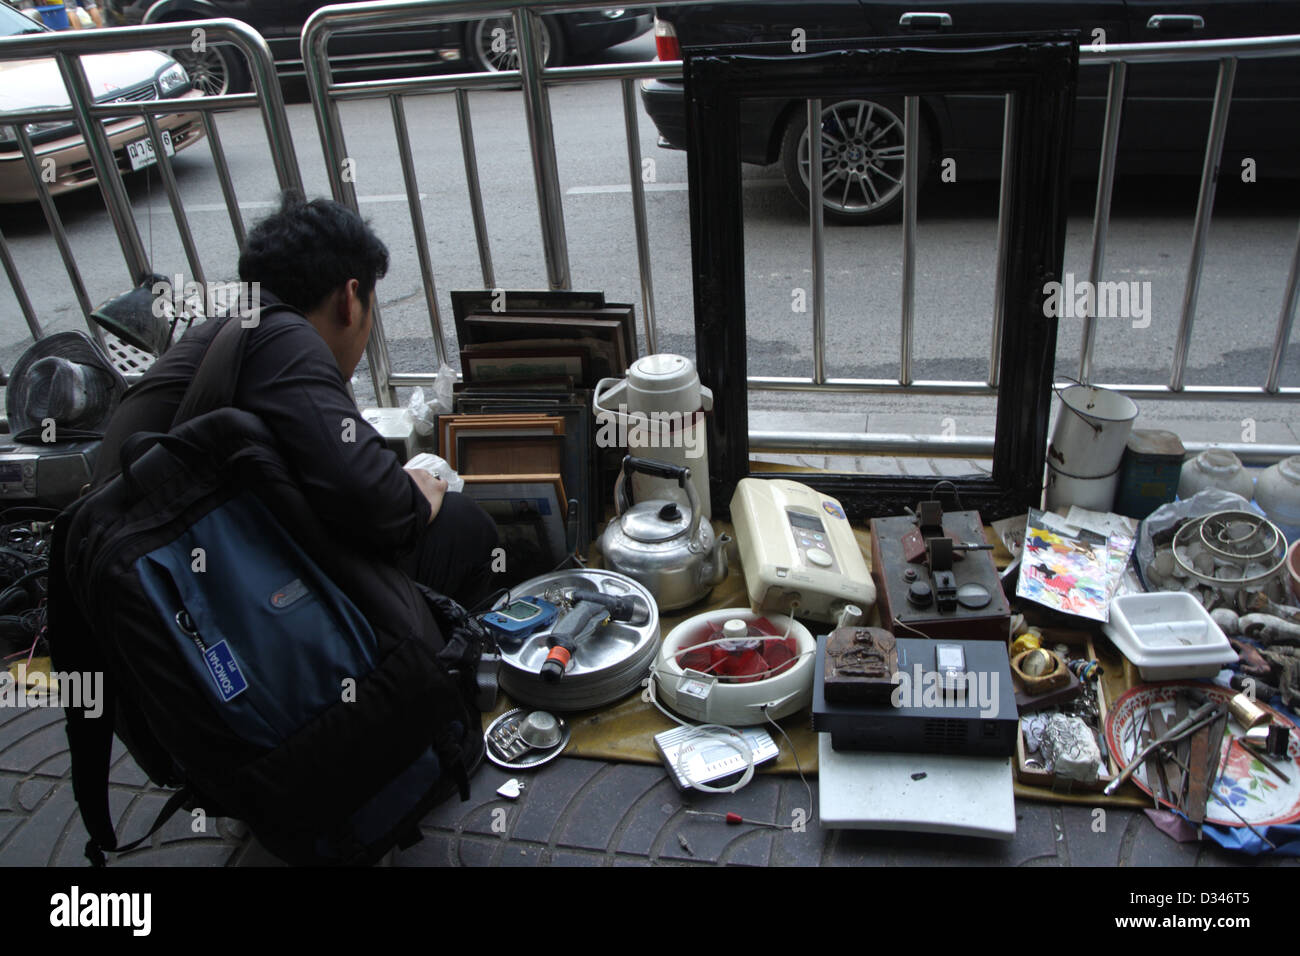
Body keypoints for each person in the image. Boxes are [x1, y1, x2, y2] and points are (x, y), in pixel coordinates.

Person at [91, 191, 500, 608]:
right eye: (370, 308)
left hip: (138, 585)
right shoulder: (283, 339)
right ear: (349, 298)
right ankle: (431, 667)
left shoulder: (223, 331)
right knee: (461, 526)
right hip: (176, 612)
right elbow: (381, 509)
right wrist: (417, 494)